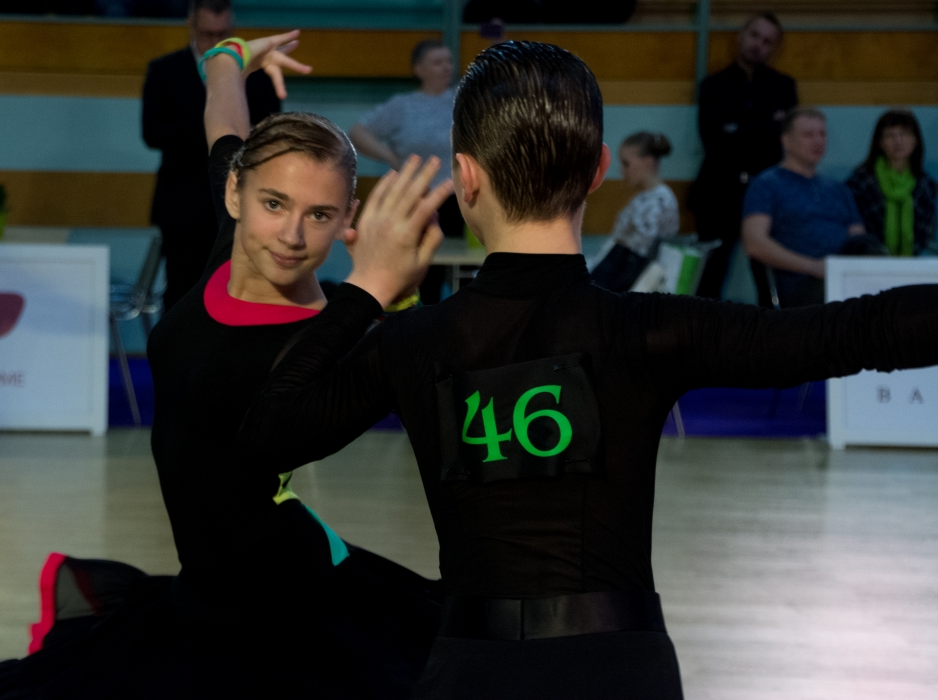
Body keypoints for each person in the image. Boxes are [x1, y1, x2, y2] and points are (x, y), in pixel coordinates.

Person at [237, 41, 938, 699]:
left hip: (472, 670)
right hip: (623, 669)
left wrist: (365, 288)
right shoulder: (649, 330)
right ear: (599, 170)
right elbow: (858, 331)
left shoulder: (414, 341)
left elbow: (268, 433)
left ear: (465, 177)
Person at [0, 32, 441, 700]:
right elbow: (224, 109)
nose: (292, 235)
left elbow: (390, 400)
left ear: (346, 220)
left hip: (277, 602)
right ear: (236, 190)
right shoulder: (231, 240)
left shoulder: (337, 334)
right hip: (206, 587)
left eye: (320, 214)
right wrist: (233, 56)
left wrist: (385, 294)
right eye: (274, 203)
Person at [142, 0, 280, 310]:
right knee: (182, 291)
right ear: (190, 25)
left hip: (241, 201)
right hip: (183, 203)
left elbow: (271, 129)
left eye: (223, 35)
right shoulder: (165, 69)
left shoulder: (256, 73)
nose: (216, 43)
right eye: (207, 35)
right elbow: (152, 132)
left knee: (239, 290)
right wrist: (220, 129)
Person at [690, 11, 797, 301]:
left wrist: (736, 128)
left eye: (767, 41)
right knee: (710, 277)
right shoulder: (713, 86)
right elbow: (713, 141)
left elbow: (783, 143)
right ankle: (701, 329)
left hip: (765, 192)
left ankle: (775, 329)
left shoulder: (784, 87)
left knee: (769, 278)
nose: (758, 45)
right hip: (718, 191)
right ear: (741, 35)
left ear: (774, 48)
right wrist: (767, 125)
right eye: (754, 35)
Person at [349, 40, 461, 303]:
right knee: (425, 275)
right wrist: (390, 157)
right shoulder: (403, 105)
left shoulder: (461, 100)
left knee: (462, 273)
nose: (446, 67)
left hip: (459, 200)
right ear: (419, 69)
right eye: (437, 62)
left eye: (448, 61)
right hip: (417, 199)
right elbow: (358, 132)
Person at [742, 108, 872, 308]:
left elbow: (859, 239)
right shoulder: (767, 184)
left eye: (822, 134)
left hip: (843, 278)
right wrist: (814, 267)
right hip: (800, 285)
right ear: (786, 141)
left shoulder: (838, 189)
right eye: (808, 135)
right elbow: (755, 243)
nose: (818, 141)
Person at [588, 131, 679, 292]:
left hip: (631, 282)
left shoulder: (658, 201)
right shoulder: (645, 197)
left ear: (648, 162)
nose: (622, 170)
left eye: (626, 164)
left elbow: (640, 256)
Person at [846, 109, 938, 257]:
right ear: (880, 142)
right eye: (890, 135)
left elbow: (926, 236)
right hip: (867, 261)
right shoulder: (861, 181)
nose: (898, 141)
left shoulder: (927, 185)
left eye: (905, 134)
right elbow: (853, 231)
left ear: (916, 140)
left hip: (914, 263)